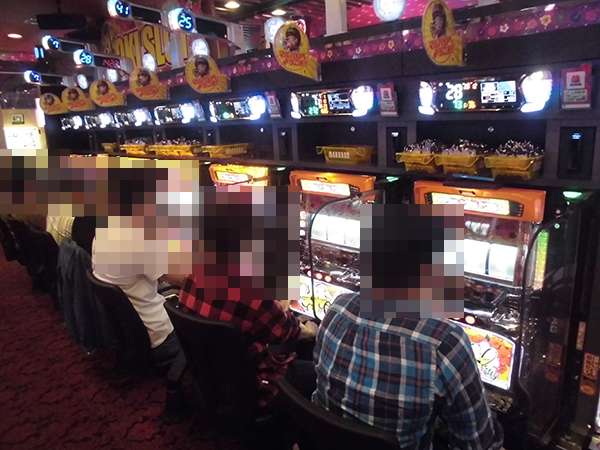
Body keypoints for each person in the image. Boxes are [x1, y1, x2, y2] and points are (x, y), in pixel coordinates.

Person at [177, 186, 318, 407]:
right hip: (255, 382)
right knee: (319, 370)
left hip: (209, 373)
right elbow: (285, 331)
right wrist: (310, 330)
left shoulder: (198, 267)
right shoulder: (255, 291)